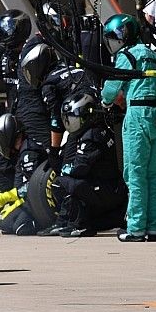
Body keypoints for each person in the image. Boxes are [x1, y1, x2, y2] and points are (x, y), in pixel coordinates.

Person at [101, 13, 156, 242]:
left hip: (137, 115)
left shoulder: (128, 56)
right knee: (153, 175)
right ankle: (154, 228)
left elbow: (112, 86)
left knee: (135, 174)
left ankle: (136, 228)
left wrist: (105, 100)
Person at [54, 93, 127, 237]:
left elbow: (80, 168)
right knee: (74, 184)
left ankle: (80, 224)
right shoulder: (95, 131)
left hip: (110, 190)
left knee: (61, 183)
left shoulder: (92, 135)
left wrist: (65, 169)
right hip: (109, 188)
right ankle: (77, 222)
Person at [20, 40, 98, 172]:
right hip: (102, 119)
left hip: (82, 123)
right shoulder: (75, 69)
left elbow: (56, 118)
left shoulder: (49, 84)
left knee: (65, 168)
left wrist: (54, 151)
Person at [0, 9, 32, 189]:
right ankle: (9, 201)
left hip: (30, 117)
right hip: (11, 118)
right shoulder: (3, 56)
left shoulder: (33, 52)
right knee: (1, 164)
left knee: (27, 163)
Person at [0, 113, 48, 235]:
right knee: (3, 221)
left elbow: (34, 186)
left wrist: (6, 197)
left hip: (42, 201)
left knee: (21, 227)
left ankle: (46, 223)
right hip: (31, 199)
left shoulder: (29, 153)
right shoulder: (23, 150)